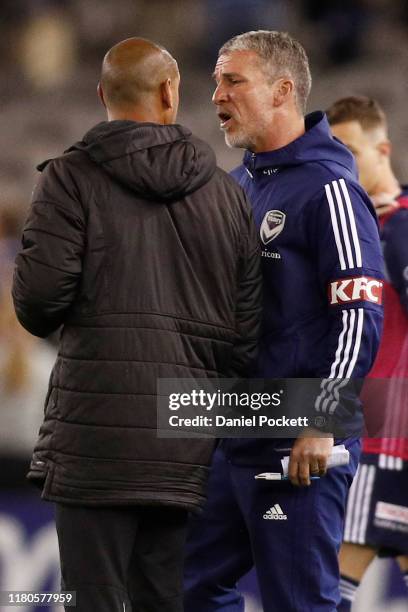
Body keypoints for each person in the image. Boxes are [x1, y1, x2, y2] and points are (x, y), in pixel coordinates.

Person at [12, 37, 262, 612]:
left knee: (94, 600)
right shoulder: (229, 197)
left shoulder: (68, 180)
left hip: (93, 439)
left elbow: (37, 304)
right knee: (164, 599)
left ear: (102, 95)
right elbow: (246, 338)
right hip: (183, 439)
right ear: (171, 91)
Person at [184, 31, 384, 612]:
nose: (216, 94)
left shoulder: (332, 191)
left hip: (300, 437)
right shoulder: (236, 186)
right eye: (216, 81)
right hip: (234, 430)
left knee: (299, 604)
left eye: (233, 81)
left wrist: (321, 421)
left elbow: (358, 317)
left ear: (283, 91)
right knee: (181, 585)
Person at [327, 96, 408, 610]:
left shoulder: (399, 227)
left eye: (350, 151)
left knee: (326, 587)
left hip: (380, 435)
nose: (341, 165)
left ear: (383, 149)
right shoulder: (346, 228)